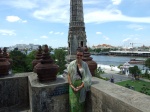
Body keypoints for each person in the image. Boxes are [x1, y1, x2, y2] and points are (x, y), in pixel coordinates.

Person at [67, 47, 92, 112]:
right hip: (72, 87)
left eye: (81, 55)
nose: (79, 56)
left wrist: (80, 87)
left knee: (80, 105)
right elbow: (69, 75)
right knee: (73, 104)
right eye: (78, 55)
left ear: (82, 56)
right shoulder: (71, 64)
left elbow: (87, 77)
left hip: (81, 87)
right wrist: (72, 86)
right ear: (76, 55)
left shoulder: (85, 65)